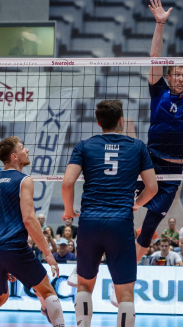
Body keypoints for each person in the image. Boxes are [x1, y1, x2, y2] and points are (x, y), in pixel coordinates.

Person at [61, 100, 158, 324]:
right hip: (120, 222)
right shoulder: (137, 147)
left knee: (85, 284)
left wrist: (68, 210)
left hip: (90, 221)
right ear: (121, 121)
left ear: (98, 122)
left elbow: (67, 183)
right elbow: (152, 188)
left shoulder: (84, 146)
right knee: (125, 292)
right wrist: (136, 203)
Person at [136, 0, 183, 263]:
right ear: (168, 77)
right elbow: (155, 57)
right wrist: (160, 24)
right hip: (148, 162)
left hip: (173, 170)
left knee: (149, 229)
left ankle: (127, 276)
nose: (180, 78)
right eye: (176, 74)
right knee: (121, 208)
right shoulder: (158, 92)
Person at [0, 136, 64, 327]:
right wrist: (48, 253)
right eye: (22, 148)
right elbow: (29, 219)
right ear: (14, 156)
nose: (27, 151)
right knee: (47, 292)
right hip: (12, 247)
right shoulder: (24, 180)